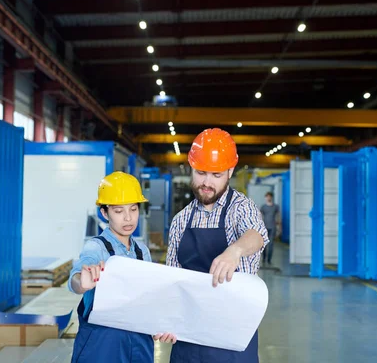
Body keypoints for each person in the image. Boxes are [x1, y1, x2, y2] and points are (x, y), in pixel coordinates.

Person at [164, 128, 269, 363]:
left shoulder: (241, 208)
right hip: (188, 338)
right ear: (191, 167)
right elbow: (172, 281)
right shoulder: (181, 220)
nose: (207, 183)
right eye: (201, 173)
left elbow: (257, 235)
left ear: (230, 171)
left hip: (232, 339)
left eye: (216, 175)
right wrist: (167, 320)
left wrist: (235, 250)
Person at [69, 171, 176, 363]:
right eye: (119, 211)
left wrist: (161, 324)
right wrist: (82, 282)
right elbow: (76, 278)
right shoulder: (96, 247)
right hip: (102, 347)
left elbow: (149, 299)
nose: (128, 218)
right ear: (104, 213)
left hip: (140, 344)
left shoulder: (143, 251)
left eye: (133, 209)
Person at [260, 192, 281, 265]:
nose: (268, 198)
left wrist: (279, 227)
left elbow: (278, 216)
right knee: (264, 244)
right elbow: (260, 216)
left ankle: (269, 259)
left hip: (273, 227)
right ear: (265, 198)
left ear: (272, 197)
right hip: (264, 228)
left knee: (271, 244)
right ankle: (264, 258)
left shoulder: (275, 207)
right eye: (267, 196)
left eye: (270, 196)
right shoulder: (263, 207)